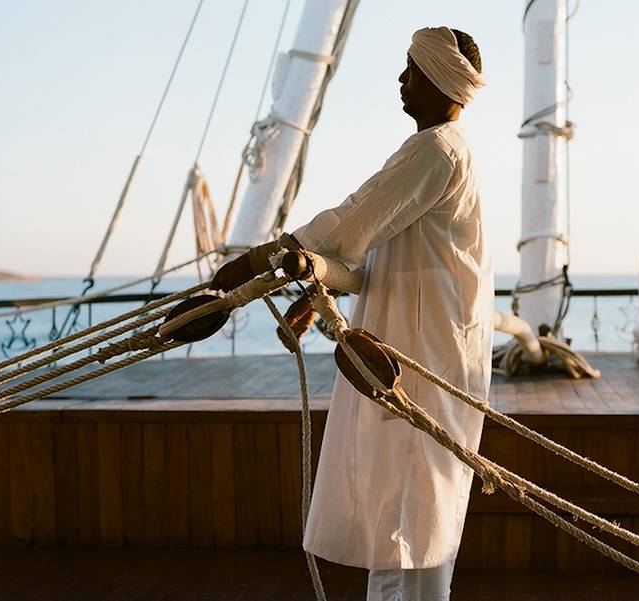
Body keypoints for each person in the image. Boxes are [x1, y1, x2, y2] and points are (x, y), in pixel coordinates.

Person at [211, 26, 492, 601]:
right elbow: (376, 258)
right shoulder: (441, 152)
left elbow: (354, 219)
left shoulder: (435, 150)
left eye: (410, 70)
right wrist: (318, 287)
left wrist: (262, 259)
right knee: (413, 509)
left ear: (439, 78)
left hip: (418, 356)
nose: (400, 79)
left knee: (405, 511)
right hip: (421, 349)